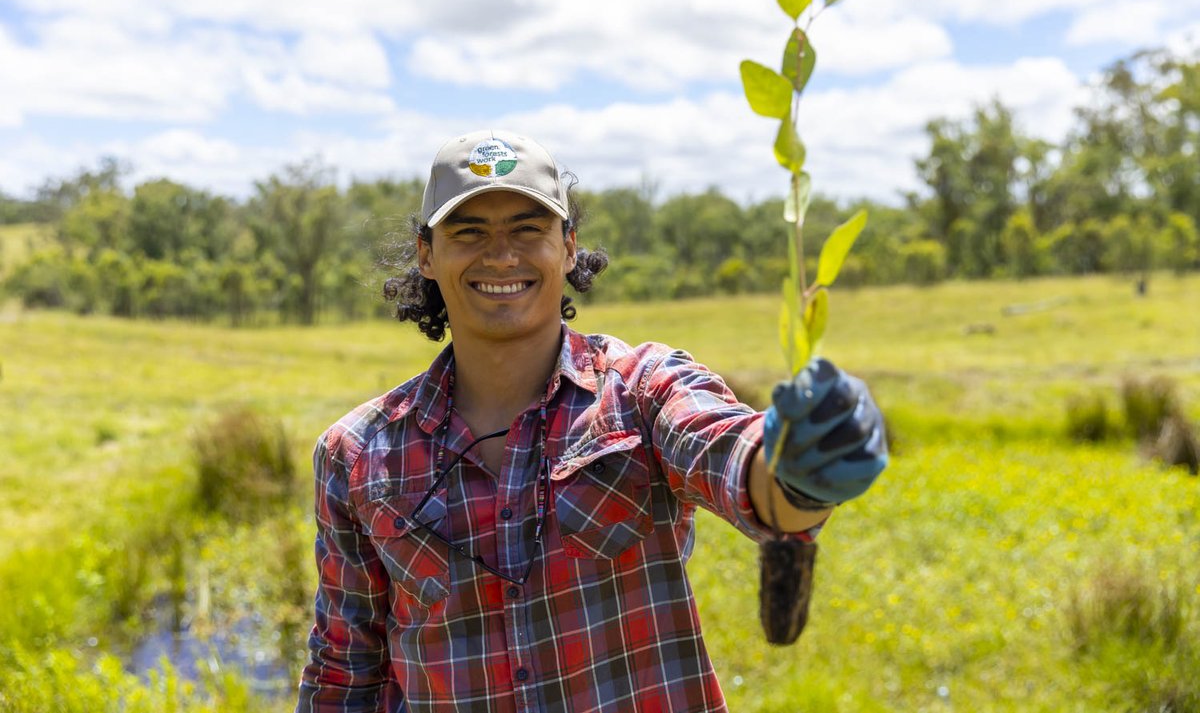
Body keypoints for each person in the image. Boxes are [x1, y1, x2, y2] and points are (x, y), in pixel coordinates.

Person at [296, 130, 888, 713]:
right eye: (469, 232)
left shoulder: (642, 389)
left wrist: (800, 465)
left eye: (528, 230)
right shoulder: (356, 453)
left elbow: (735, 459)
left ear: (569, 246)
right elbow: (345, 673)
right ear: (427, 254)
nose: (501, 255)